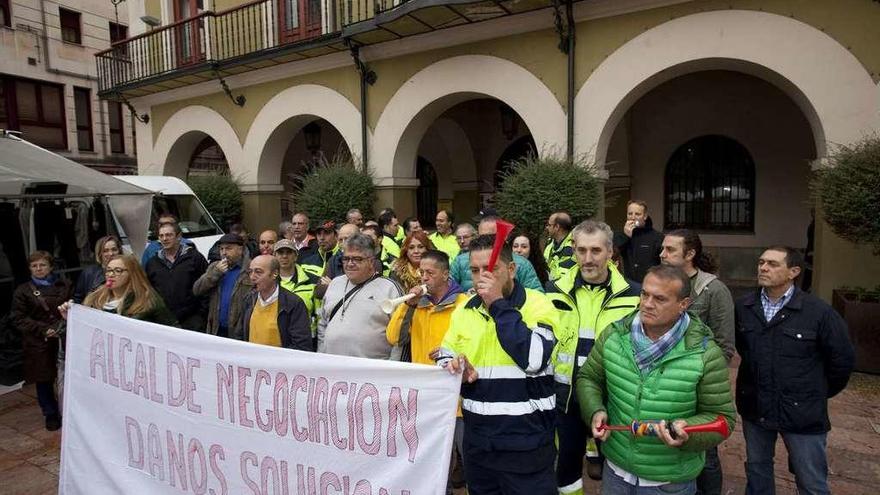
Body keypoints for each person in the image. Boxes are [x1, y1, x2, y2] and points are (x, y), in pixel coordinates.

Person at [578, 265, 736, 494]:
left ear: (683, 305)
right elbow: (589, 377)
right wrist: (594, 410)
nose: (648, 304)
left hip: (668, 483)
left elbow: (723, 420)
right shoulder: (613, 336)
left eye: (660, 299)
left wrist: (688, 431)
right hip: (615, 473)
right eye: (644, 294)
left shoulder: (705, 355)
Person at [435, 234, 560, 495]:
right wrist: (455, 366)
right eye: (475, 270)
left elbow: (533, 359)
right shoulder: (465, 309)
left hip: (527, 445)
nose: (482, 277)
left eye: (490, 269)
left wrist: (498, 305)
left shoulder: (540, 304)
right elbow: (444, 352)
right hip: (479, 444)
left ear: (511, 269)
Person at [735, 246, 854, 495]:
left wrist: (814, 392)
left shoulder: (818, 312)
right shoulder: (744, 306)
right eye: (761, 262)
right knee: (757, 472)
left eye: (772, 264)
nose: (763, 268)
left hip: (802, 413)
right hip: (756, 407)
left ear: (793, 271)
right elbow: (743, 349)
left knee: (810, 480)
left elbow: (841, 362)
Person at [546, 220, 641, 495]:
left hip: (615, 398)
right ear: (573, 250)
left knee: (618, 467)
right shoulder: (552, 290)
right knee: (565, 469)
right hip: (565, 399)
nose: (588, 259)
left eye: (596, 250)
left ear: (610, 252)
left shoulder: (634, 295)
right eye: (582, 250)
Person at [658, 230, 735, 495]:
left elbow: (725, 345)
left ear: (690, 255)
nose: (662, 254)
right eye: (662, 249)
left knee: (705, 450)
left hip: (697, 383)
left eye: (670, 250)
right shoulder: (660, 283)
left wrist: (701, 377)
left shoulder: (714, 290)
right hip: (663, 380)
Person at [386, 249, 468, 494]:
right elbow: (394, 337)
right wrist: (407, 307)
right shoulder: (417, 306)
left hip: (459, 400)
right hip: (428, 398)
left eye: (430, 273)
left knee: (469, 457)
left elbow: (473, 342)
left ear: (445, 274)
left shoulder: (463, 304)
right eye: (421, 272)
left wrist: (451, 352)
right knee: (432, 464)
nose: (424, 278)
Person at [10, 251, 72, 431]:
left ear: (51, 267)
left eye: (42, 265)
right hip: (38, 342)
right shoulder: (22, 291)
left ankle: (68, 409)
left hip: (63, 337)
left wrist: (60, 327)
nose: (38, 269)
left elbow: (73, 306)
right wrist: (44, 329)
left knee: (66, 375)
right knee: (43, 379)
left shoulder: (65, 284)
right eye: (34, 266)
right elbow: (18, 318)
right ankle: (50, 413)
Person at [317, 234, 402, 359]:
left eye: (357, 259)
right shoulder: (335, 283)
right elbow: (323, 324)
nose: (350, 264)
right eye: (346, 259)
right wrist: (321, 357)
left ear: (371, 261)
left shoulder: (390, 288)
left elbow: (400, 335)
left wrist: (392, 369)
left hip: (373, 372)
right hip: (333, 369)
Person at [62, 254, 178, 326]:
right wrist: (70, 318)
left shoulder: (148, 299)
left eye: (118, 270)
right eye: (108, 270)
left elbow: (173, 330)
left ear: (131, 274)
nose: (111, 275)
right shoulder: (93, 298)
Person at [237, 255, 313, 350]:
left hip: (280, 363)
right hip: (252, 362)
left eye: (258, 272)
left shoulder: (293, 303)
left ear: (275, 274)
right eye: (250, 272)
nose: (252, 277)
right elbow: (239, 335)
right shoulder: (249, 299)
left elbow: (302, 344)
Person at [450, 216, 544, 292]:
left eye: (492, 237)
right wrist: (466, 297)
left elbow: (538, 297)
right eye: (474, 270)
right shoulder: (460, 261)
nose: (486, 242)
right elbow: (446, 290)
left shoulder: (522, 264)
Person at [144, 222, 209, 331]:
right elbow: (150, 292)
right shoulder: (152, 263)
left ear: (179, 237)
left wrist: (201, 315)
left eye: (169, 235)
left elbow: (207, 287)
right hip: (163, 323)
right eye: (161, 236)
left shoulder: (195, 258)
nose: (164, 239)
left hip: (193, 322)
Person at [193, 233, 252, 338]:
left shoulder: (250, 269)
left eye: (229, 249)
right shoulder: (215, 267)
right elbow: (197, 289)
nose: (224, 253)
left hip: (239, 331)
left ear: (240, 250)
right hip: (216, 329)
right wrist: (216, 273)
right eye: (221, 249)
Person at [613, 200, 663, 283]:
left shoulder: (657, 237)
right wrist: (625, 236)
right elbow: (612, 255)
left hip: (650, 283)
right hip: (628, 284)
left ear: (645, 216)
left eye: (637, 214)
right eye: (630, 214)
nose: (633, 217)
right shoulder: (619, 235)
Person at [274, 239, 319, 317]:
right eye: (281, 253)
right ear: (274, 257)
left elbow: (319, 314)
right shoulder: (269, 282)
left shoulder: (312, 280)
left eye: (289, 252)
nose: (284, 256)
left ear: (295, 256)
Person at [73, 234, 121, 303]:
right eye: (105, 251)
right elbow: (78, 298)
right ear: (99, 253)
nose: (111, 254)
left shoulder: (128, 270)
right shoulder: (88, 273)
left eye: (114, 249)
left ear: (119, 251)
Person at [543, 211, 577, 282]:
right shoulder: (550, 242)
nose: (547, 227)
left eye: (549, 225)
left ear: (557, 227)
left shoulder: (573, 247)